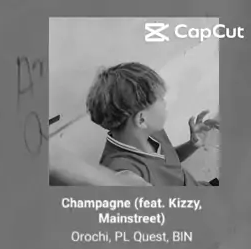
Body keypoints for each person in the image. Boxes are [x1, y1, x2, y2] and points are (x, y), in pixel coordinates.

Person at [86, 62, 219, 187]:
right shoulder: (124, 172)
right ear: (141, 119)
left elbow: (169, 163)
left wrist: (192, 145)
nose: (165, 103)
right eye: (161, 99)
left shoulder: (152, 131)